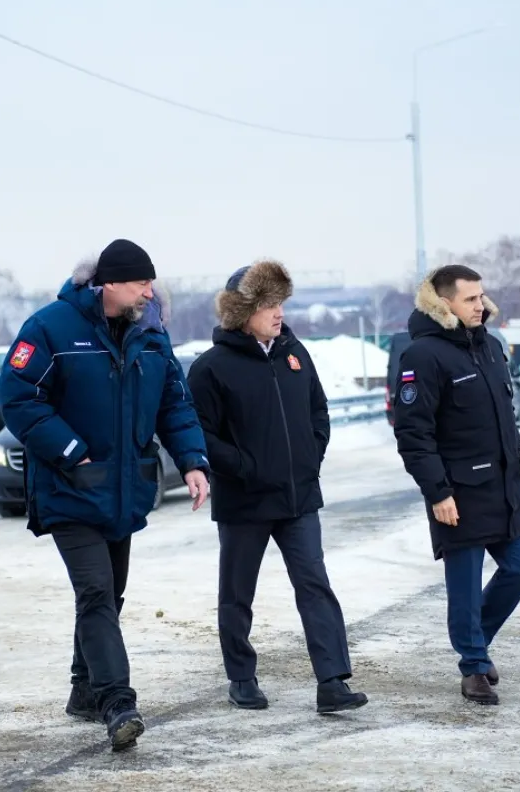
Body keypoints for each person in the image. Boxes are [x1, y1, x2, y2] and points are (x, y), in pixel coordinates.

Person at [0, 238, 211, 751]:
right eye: (142, 282)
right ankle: (117, 701)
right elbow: (19, 399)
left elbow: (174, 404)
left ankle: (81, 690)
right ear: (109, 283)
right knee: (95, 591)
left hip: (123, 492)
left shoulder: (150, 333)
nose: (150, 290)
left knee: (108, 594)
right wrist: (72, 450)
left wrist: (192, 461)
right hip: (69, 488)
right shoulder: (50, 328)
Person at [186, 261, 369, 715]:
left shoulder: (295, 353)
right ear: (241, 311)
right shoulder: (211, 368)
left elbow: (318, 412)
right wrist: (244, 467)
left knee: (315, 585)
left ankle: (332, 681)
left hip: (298, 498)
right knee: (237, 592)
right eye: (268, 304)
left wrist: (310, 457)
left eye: (280, 303)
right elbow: (201, 434)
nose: (278, 312)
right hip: (244, 499)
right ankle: (242, 677)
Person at [393, 264, 520, 706]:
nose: (481, 305)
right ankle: (473, 666)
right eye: (470, 299)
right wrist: (437, 492)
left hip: (504, 486)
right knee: (465, 586)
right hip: (458, 491)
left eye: (481, 296)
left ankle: (477, 642)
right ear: (444, 304)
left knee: (519, 568)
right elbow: (413, 435)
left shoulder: (491, 347)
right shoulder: (423, 356)